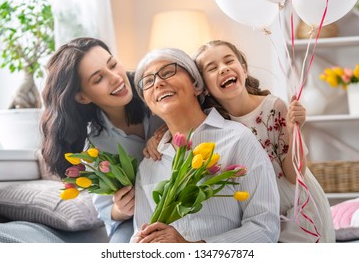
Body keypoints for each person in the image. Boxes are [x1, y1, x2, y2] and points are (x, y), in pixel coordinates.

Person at [191, 40, 335, 243]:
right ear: (204, 88)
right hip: (252, 213)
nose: (223, 69)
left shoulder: (274, 108)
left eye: (228, 61)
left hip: (292, 205)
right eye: (212, 68)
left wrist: (295, 131)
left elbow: (294, 176)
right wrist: (158, 136)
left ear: (243, 68)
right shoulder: (212, 123)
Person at [131, 47, 280, 243]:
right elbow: (139, 235)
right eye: (148, 82)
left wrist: (193, 249)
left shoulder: (237, 139)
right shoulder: (149, 164)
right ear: (149, 105)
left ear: (197, 86)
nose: (158, 82)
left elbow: (265, 228)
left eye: (167, 72)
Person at [41, 37, 163, 243]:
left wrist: (166, 130)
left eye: (113, 64)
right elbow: (107, 211)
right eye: (98, 79)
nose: (115, 78)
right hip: (133, 221)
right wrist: (120, 209)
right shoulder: (92, 145)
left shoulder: (154, 89)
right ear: (82, 97)